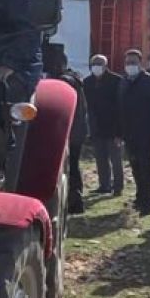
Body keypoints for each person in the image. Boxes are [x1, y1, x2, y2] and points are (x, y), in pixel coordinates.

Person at [118, 50, 150, 215]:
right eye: (128, 62)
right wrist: (120, 133)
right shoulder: (123, 82)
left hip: (148, 134)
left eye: (133, 62)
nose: (130, 65)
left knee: (147, 168)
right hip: (130, 134)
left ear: (141, 63)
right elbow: (120, 109)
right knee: (135, 167)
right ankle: (140, 197)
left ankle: (148, 202)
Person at [44, 45, 88, 213]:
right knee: (73, 166)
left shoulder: (64, 81)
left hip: (69, 131)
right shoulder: (73, 78)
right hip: (76, 130)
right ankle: (75, 201)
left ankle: (74, 202)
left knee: (70, 168)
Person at [84, 54, 124, 196]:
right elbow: (87, 106)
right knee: (101, 158)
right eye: (94, 63)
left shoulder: (116, 80)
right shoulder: (87, 82)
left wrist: (120, 132)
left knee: (115, 159)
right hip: (96, 127)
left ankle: (118, 186)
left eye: (100, 63)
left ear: (106, 65)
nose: (96, 66)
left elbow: (121, 107)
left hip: (113, 127)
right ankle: (104, 185)